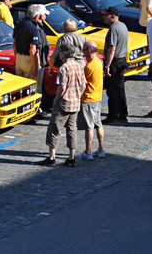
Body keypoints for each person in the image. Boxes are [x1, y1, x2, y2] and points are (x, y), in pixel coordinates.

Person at [41, 37, 84, 167]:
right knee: (72, 130)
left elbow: (62, 87)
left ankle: (51, 157)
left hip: (64, 103)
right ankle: (71, 157)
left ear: (64, 54)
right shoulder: (79, 66)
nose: (59, 55)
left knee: (54, 129)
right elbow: (83, 85)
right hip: (75, 103)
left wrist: (56, 99)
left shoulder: (64, 68)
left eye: (60, 52)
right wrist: (77, 96)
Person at [101, 7, 129, 123]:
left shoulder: (113, 29)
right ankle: (122, 113)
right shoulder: (123, 25)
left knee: (112, 90)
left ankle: (113, 115)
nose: (104, 18)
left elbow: (112, 48)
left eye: (106, 15)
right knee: (119, 88)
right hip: (121, 60)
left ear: (113, 16)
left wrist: (107, 66)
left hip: (115, 62)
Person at [79, 41, 105, 160]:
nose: (83, 52)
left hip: (89, 99)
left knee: (89, 127)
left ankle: (88, 152)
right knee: (98, 124)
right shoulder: (98, 62)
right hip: (97, 97)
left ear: (89, 51)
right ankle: (100, 149)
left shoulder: (89, 67)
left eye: (84, 50)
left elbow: (82, 83)